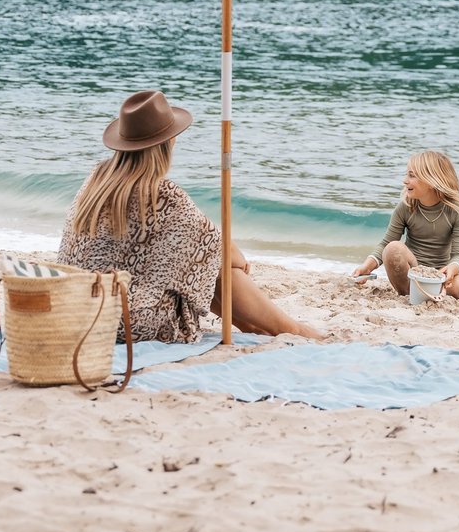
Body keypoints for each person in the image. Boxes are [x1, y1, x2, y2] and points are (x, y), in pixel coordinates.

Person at [59, 89, 322, 342]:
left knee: (199, 262)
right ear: (168, 142)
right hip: (126, 320)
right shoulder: (162, 193)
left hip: (78, 307)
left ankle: (252, 325)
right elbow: (220, 246)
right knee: (216, 265)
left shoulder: (95, 180)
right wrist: (239, 264)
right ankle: (292, 329)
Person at [350, 151, 459, 300]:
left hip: (440, 273)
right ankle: (409, 293)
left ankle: (425, 292)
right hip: (411, 272)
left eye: (411, 175)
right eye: (407, 174)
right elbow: (385, 244)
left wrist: (452, 269)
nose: (405, 181)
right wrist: (367, 266)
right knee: (393, 248)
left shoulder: (457, 210)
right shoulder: (405, 207)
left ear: (431, 181)